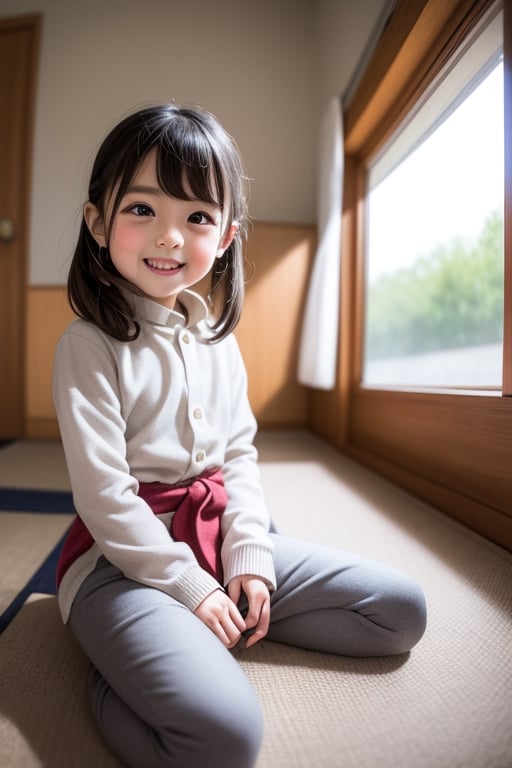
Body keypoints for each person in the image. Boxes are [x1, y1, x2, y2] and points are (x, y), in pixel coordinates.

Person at [53, 103, 427, 768]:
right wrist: (189, 588)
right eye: (142, 209)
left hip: (216, 536)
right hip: (122, 565)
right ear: (97, 221)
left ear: (224, 236)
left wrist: (247, 557)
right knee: (223, 741)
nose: (170, 236)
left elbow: (238, 460)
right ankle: (115, 668)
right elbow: (106, 500)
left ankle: (211, 625)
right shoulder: (88, 345)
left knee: (399, 612)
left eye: (195, 217)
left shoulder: (216, 343)